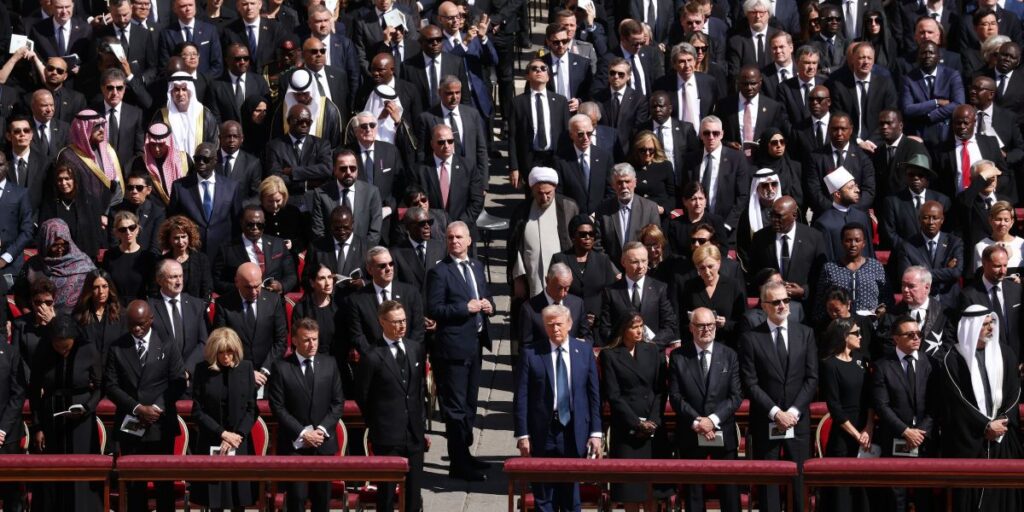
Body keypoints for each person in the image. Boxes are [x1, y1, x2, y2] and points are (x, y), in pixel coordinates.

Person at [514, 304, 603, 512]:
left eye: (559, 324)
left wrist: (596, 432)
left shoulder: (584, 351)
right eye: (550, 325)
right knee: (544, 494)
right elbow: (521, 397)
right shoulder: (531, 354)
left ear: (570, 324)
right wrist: (522, 435)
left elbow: (593, 394)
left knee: (570, 493)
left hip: (573, 429)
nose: (555, 329)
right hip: (543, 431)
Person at [740, 280, 818, 512]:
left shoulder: (806, 333)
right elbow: (750, 383)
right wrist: (776, 414)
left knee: (800, 482)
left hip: (798, 420)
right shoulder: (751, 338)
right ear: (763, 306)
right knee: (769, 485)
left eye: (786, 300)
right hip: (766, 421)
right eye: (776, 302)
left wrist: (792, 412)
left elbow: (812, 378)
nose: (783, 305)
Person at [426, 221, 495, 481]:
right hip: (452, 348)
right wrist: (464, 309)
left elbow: (484, 294)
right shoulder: (440, 272)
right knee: (455, 409)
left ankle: (464, 455)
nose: (454, 241)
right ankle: (458, 463)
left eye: (459, 237)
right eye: (450, 237)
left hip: (475, 345)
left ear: (469, 241)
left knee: (469, 404)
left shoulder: (477, 266)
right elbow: (434, 309)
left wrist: (489, 306)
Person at [103, 300, 186, 512]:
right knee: (134, 483)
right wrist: (138, 408)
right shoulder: (117, 347)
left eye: (141, 324)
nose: (136, 328)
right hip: (132, 422)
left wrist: (157, 408)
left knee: (163, 483)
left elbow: (177, 381)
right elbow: (110, 385)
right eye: (131, 324)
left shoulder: (167, 342)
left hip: (161, 423)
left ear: (151, 320)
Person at [940, 305, 1021, 511]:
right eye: (984, 324)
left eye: (991, 322)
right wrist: (985, 426)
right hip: (971, 440)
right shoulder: (953, 359)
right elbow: (958, 403)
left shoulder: (1005, 353)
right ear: (971, 327)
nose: (990, 328)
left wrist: (1002, 422)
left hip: (1002, 438)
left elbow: (1015, 392)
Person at [355, 301, 427, 512]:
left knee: (414, 492)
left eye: (404, 320)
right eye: (396, 322)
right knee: (386, 494)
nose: (401, 326)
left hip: (413, 433)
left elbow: (419, 389)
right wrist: (377, 423)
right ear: (382, 322)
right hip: (386, 435)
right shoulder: (372, 356)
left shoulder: (414, 349)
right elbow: (363, 395)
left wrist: (420, 423)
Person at [669, 307, 743, 512]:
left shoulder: (729, 355)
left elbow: (736, 396)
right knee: (694, 493)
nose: (706, 330)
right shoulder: (678, 356)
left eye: (710, 325)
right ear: (691, 328)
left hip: (722, 431)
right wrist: (698, 422)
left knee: (729, 493)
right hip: (691, 432)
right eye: (701, 326)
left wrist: (713, 419)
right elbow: (675, 396)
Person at [267, 317, 345, 512]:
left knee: (322, 500)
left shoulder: (329, 363)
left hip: (323, 443)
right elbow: (277, 406)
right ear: (294, 340)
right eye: (307, 340)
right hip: (296, 445)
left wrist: (320, 430)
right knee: (297, 499)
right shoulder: (281, 367)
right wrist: (302, 433)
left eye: (315, 339)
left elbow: (337, 403)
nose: (312, 344)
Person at [28, 314, 102, 512]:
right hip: (51, 418)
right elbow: (34, 390)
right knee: (52, 470)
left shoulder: (88, 349)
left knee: (81, 469)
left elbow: (100, 386)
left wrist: (87, 407)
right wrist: (37, 426)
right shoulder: (42, 350)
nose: (62, 351)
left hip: (82, 420)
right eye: (58, 347)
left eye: (67, 347)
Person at [600, 312, 669, 509]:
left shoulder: (653, 351)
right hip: (627, 429)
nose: (639, 331)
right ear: (623, 329)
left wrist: (653, 421)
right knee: (630, 492)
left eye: (641, 326)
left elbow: (659, 390)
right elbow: (613, 395)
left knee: (652, 491)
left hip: (653, 427)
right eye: (634, 327)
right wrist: (637, 423)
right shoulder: (610, 355)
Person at [872, 314, 938, 512]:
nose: (917, 338)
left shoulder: (932, 364)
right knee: (896, 498)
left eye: (919, 333)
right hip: (894, 440)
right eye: (910, 335)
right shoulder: (883, 366)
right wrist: (905, 431)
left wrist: (920, 432)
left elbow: (936, 405)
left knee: (924, 497)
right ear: (896, 339)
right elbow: (881, 406)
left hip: (924, 441)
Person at [190, 327, 257, 511]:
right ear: (214, 352)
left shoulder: (246, 368)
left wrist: (237, 435)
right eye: (221, 353)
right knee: (214, 500)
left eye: (230, 352)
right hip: (212, 439)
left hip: (239, 442)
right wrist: (223, 434)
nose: (226, 357)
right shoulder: (202, 370)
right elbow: (197, 412)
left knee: (238, 499)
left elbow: (252, 409)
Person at [819, 318, 873, 512]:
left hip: (865, 434)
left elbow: (868, 400)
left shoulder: (862, 361)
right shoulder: (829, 365)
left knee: (863, 492)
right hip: (843, 436)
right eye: (856, 333)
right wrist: (856, 435)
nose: (860, 336)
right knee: (842, 494)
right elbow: (834, 407)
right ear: (844, 336)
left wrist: (868, 429)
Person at [213, 263, 288, 397]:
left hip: (269, 375)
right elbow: (222, 344)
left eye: (257, 286)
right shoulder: (224, 305)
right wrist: (246, 371)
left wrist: (265, 369)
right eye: (248, 287)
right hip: (235, 376)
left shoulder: (274, 300)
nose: (254, 292)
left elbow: (281, 340)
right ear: (237, 282)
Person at [507, 167, 579, 304]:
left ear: (555, 188)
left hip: (562, 275)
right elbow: (514, 246)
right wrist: (518, 278)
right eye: (540, 193)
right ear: (532, 189)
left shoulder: (568, 207)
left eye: (548, 193)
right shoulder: (522, 211)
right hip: (531, 275)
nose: (544, 198)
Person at [341, 246, 425, 358]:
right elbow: (358, 336)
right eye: (382, 266)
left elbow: (418, 329)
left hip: (406, 358)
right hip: (375, 363)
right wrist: (376, 357)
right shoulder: (357, 300)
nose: (389, 268)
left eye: (391, 264)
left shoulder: (411, 293)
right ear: (370, 269)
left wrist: (407, 352)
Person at [167, 142, 244, 259]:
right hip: (191, 252)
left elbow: (237, 222)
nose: (201, 163)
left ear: (215, 160)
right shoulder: (180, 187)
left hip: (223, 253)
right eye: (197, 159)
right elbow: (172, 220)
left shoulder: (231, 187)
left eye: (205, 159)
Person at [598, 241, 678, 348]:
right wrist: (623, 344)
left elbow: (670, 325)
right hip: (622, 355)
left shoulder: (659, 288)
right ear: (623, 262)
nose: (641, 266)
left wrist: (651, 345)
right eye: (635, 262)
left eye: (644, 261)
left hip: (653, 355)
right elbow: (605, 328)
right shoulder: (611, 291)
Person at [814, 223, 892, 322]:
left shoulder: (875, 266)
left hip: (870, 325)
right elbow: (820, 301)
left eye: (857, 240)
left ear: (864, 243)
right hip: (840, 326)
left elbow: (887, 298)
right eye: (848, 240)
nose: (853, 245)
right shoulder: (830, 268)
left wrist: (882, 310)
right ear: (842, 242)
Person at [213, 205, 298, 295]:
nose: (255, 228)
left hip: (273, 303)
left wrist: (281, 286)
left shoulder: (278, 244)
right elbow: (217, 281)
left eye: (259, 225)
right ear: (241, 223)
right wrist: (242, 288)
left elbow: (291, 275)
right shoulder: (227, 249)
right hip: (240, 304)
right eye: (250, 224)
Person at [550, 215, 619, 324]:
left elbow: (610, 295)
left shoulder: (603, 260)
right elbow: (553, 292)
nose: (588, 237)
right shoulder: (559, 259)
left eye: (591, 234)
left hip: (597, 323)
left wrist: (596, 315)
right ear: (573, 237)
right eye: (583, 234)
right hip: (568, 322)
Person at [17, 218, 97, 314]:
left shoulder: (84, 263)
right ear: (45, 242)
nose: (60, 249)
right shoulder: (33, 265)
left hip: (76, 323)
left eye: (64, 244)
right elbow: (20, 295)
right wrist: (31, 316)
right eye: (54, 245)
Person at [149, 259, 209, 385]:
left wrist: (187, 370)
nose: (179, 281)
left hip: (191, 378)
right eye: (173, 277)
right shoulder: (149, 307)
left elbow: (203, 342)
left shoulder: (196, 305)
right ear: (159, 280)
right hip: (161, 381)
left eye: (181, 276)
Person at [676, 243, 746, 347]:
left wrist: (726, 324)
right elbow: (683, 318)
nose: (707, 272)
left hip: (727, 344)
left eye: (710, 266)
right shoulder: (690, 286)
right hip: (698, 345)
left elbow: (742, 320)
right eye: (702, 268)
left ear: (719, 263)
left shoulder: (733, 285)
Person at [596, 163, 661, 268]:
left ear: (635, 182)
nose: (624, 186)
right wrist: (613, 271)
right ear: (613, 185)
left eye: (627, 181)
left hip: (642, 270)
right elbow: (598, 246)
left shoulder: (650, 208)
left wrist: (645, 268)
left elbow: (655, 243)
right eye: (619, 182)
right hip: (613, 274)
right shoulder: (603, 209)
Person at [39, 163, 107, 262]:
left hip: (84, 260)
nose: (63, 183)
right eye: (59, 179)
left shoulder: (89, 202)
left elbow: (95, 234)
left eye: (67, 178)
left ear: (75, 179)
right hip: (58, 260)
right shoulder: (50, 204)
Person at [103, 210, 157, 303]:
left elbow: (153, 290)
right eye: (123, 229)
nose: (128, 232)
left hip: (141, 308)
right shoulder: (110, 256)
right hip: (116, 307)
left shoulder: (148, 257)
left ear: (137, 229)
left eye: (132, 227)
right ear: (117, 233)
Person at [0, 151, 34, 295]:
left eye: (0, 164)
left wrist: (6, 257)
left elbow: (27, 231)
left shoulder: (20, 193)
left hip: (10, 264)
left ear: (6, 166)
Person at [130, 123, 189, 206]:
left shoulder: (184, 159)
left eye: (161, 145)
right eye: (153, 145)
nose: (156, 149)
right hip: (154, 213)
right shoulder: (140, 163)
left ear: (169, 143)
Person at [158, 215, 213, 301]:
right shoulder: (161, 261)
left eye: (183, 237)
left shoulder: (201, 259)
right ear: (169, 239)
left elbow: (207, 289)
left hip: (196, 309)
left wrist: (200, 308)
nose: (180, 242)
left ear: (189, 237)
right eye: (176, 238)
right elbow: (155, 290)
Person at [72, 269, 126, 356]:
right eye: (96, 287)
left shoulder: (121, 315)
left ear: (110, 288)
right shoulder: (79, 317)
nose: (101, 291)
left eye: (104, 286)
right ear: (89, 290)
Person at [665, 182, 728, 257]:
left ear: (706, 201)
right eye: (693, 199)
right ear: (685, 201)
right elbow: (672, 252)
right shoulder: (675, 224)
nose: (698, 203)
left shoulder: (716, 221)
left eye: (701, 198)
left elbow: (723, 250)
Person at [292, 264, 339, 358]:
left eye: (330, 277)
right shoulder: (302, 308)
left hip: (337, 358)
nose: (328, 283)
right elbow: (298, 341)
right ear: (312, 283)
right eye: (322, 278)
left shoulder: (340, 305)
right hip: (311, 359)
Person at [627, 131, 676, 216]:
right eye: (643, 150)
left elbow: (673, 196)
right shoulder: (629, 167)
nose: (647, 153)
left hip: (661, 216)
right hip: (637, 215)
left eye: (651, 150)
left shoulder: (665, 166)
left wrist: (664, 209)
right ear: (636, 150)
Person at [259, 176, 308, 256]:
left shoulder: (293, 212)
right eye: (270, 201)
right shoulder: (257, 215)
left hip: (290, 259)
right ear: (262, 198)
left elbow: (304, 238)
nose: (274, 205)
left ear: (284, 197)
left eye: (278, 201)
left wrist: (292, 244)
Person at [972, 200, 1024, 276]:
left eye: (1006, 220)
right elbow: (980, 278)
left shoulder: (1022, 244)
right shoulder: (981, 246)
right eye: (998, 219)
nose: (1002, 223)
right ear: (990, 220)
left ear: (1012, 222)